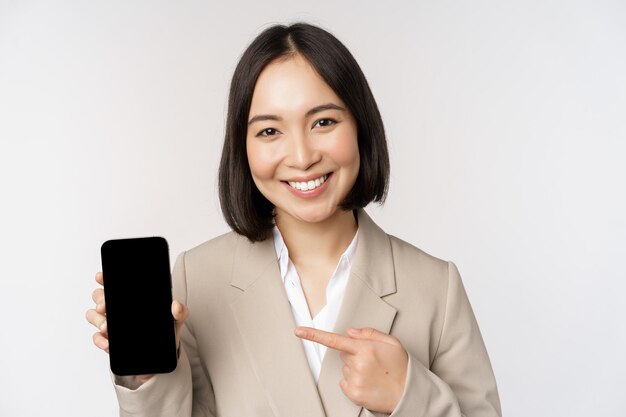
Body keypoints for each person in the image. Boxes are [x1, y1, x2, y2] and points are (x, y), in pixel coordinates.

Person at [86, 22, 502, 417]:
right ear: (242, 147)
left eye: (323, 122)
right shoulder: (198, 278)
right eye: (269, 131)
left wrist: (408, 395)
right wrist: (146, 376)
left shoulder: (436, 288)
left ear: (361, 126)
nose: (302, 157)